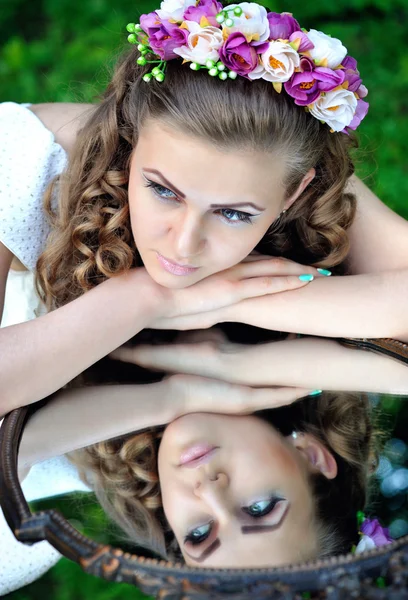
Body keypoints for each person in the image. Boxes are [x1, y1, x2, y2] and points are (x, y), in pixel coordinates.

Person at [1, 3, 408, 419]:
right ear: (129, 142)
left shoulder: (280, 164)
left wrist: (229, 317)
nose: (184, 244)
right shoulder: (17, 153)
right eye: (162, 190)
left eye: (234, 214)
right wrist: (149, 297)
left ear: (293, 194)